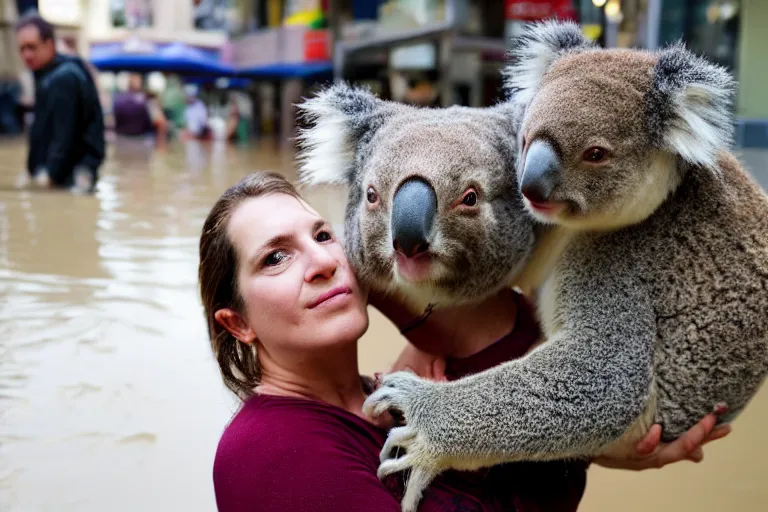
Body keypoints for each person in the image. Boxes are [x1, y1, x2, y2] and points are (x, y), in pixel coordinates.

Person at [200, 172, 730, 512]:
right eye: (275, 257)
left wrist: (595, 443)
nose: (321, 262)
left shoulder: (400, 397)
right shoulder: (270, 452)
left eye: (321, 236)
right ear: (237, 323)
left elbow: (513, 340)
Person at [15, 13, 105, 194]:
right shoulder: (49, 75)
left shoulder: (64, 77)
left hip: (71, 177)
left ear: (49, 44)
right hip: (63, 176)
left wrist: (49, 174)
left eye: (32, 47)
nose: (26, 54)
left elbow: (64, 134)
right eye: (22, 49)